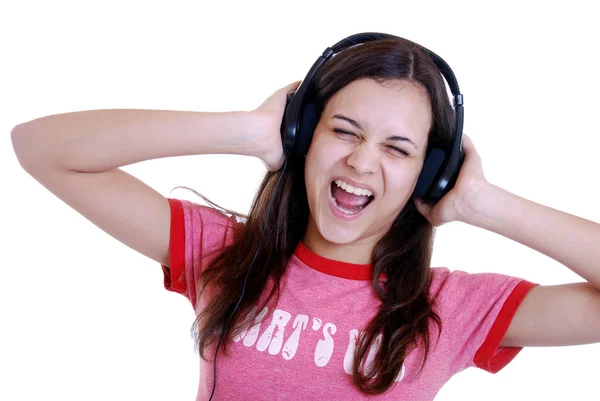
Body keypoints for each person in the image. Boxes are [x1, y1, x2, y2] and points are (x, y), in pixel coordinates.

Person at [11, 34, 600, 401]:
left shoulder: (452, 308)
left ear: (430, 175)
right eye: (343, 131)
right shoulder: (225, 255)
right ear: (302, 137)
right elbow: (41, 147)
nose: (362, 160)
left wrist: (479, 202)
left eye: (398, 149)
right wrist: (246, 132)